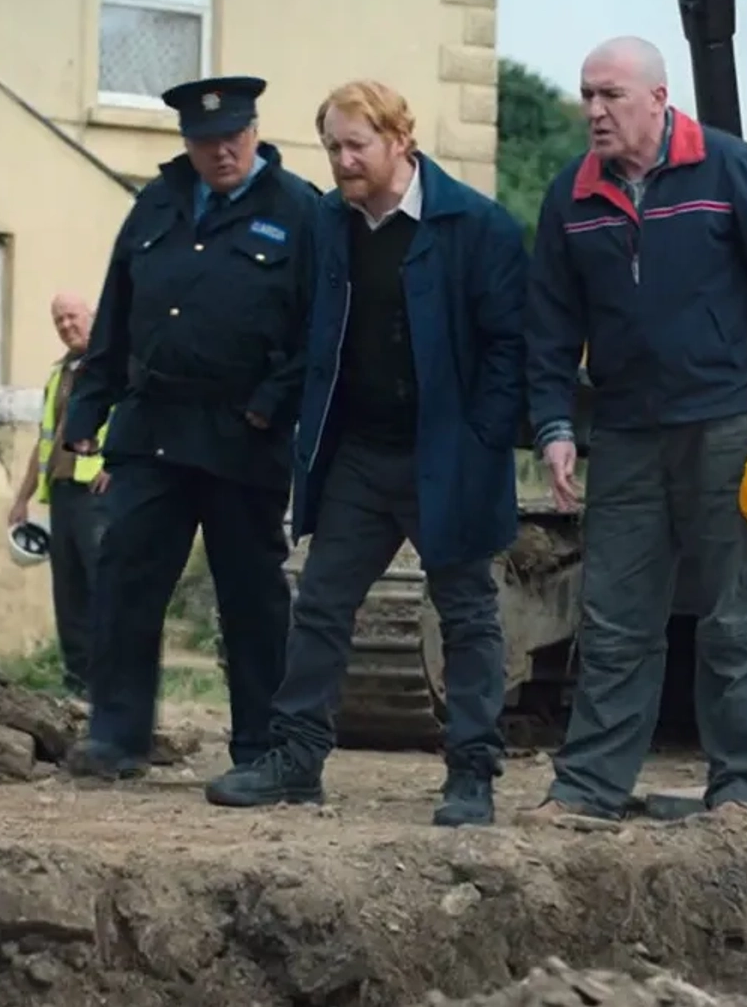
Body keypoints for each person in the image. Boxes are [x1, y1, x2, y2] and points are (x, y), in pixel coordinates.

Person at [203, 80, 528, 826]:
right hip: (359, 449)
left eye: (356, 145)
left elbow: (510, 345)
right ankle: (296, 761)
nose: (342, 161)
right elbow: (308, 323)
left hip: (446, 454)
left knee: (468, 613)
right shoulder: (328, 223)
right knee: (319, 603)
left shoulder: (474, 226)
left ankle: (471, 774)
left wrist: (483, 438)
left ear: (399, 142)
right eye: (332, 147)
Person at [521, 37, 747, 826]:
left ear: (659, 99)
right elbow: (549, 328)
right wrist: (556, 425)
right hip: (624, 432)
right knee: (615, 615)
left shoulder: (728, 171)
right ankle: (589, 785)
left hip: (729, 423)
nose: (594, 110)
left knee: (734, 616)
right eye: (587, 94)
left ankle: (741, 790)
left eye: (611, 95)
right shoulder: (572, 198)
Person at [59, 75, 319, 779]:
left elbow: (318, 333)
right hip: (154, 425)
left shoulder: (299, 212)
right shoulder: (157, 203)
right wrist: (88, 410)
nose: (220, 153)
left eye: (232, 138)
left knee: (251, 597)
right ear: (187, 144)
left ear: (255, 133)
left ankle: (261, 746)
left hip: (244, 430)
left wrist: (273, 401)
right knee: (125, 578)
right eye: (205, 143)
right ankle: (118, 739)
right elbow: (116, 314)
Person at [8, 291, 110, 698]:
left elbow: (140, 418)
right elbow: (45, 442)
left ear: (93, 316)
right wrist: (22, 497)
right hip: (64, 493)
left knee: (102, 589)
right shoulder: (59, 373)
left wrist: (116, 465)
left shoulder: (114, 364)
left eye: (72, 317)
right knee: (68, 593)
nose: (67, 326)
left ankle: (110, 685)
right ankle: (77, 682)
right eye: (59, 321)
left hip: (98, 495)